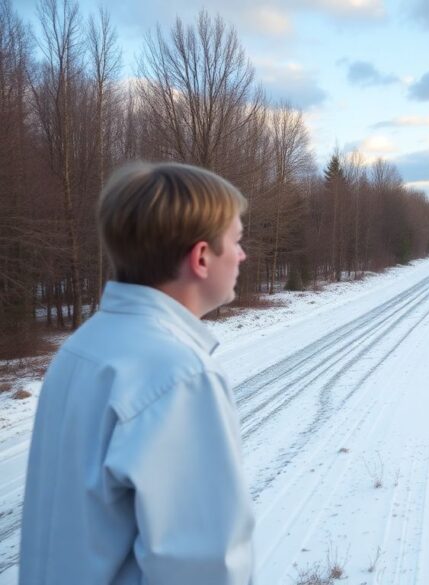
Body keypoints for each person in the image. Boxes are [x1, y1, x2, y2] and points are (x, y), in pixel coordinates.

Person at [19, 162, 254, 584]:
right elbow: (200, 568)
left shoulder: (82, 347)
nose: (243, 255)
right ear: (201, 257)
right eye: (236, 241)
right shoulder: (180, 374)